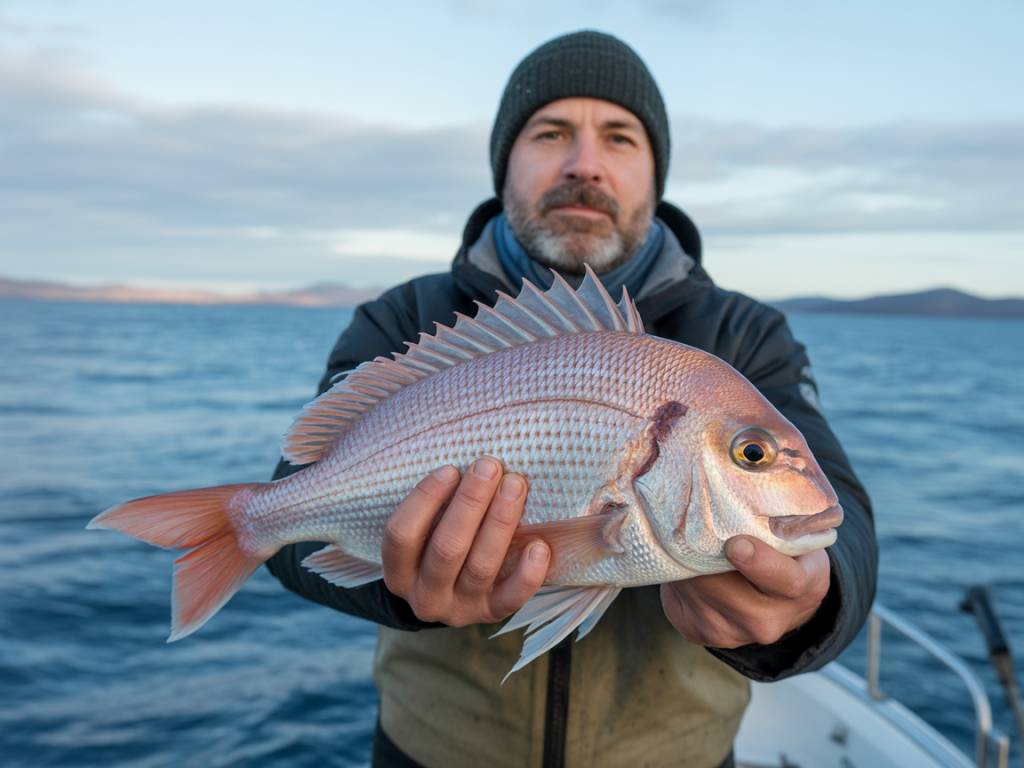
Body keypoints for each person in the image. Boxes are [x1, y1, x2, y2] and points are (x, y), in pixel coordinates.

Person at [267, 30, 877, 768]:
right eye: (550, 132)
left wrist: (813, 599)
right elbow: (290, 505)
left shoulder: (742, 335)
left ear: (655, 173)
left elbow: (842, 515)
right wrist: (405, 588)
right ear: (505, 162)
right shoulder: (404, 320)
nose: (584, 163)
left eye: (619, 138)